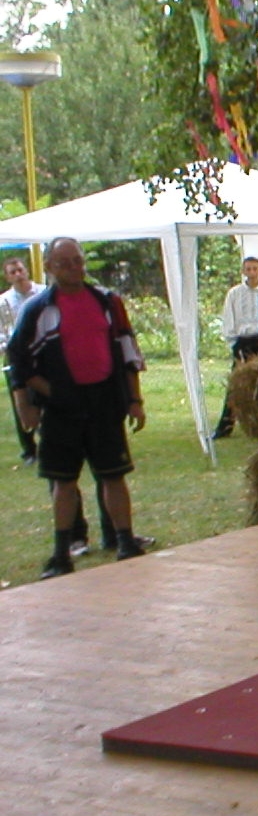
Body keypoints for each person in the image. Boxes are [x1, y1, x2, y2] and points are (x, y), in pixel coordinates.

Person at [6, 237, 148, 579]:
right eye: (64, 263)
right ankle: (61, 553)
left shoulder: (107, 301)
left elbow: (127, 350)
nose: (74, 268)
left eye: (78, 261)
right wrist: (31, 403)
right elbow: (19, 360)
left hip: (104, 402)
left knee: (114, 474)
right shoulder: (38, 309)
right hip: (61, 409)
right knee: (63, 481)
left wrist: (134, 400)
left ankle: (125, 540)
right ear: (49, 268)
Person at [211, 255, 258, 439]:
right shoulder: (235, 293)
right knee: (236, 384)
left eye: (254, 269)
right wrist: (233, 342)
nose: (251, 272)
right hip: (243, 340)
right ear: (243, 271)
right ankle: (225, 427)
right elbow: (228, 317)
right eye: (248, 269)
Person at [0, 254, 43, 462]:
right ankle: (29, 449)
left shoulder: (43, 293)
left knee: (45, 397)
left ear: (26, 271)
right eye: (13, 272)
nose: (18, 275)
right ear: (7, 277)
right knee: (21, 399)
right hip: (16, 356)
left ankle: (53, 441)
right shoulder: (3, 302)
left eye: (20, 270)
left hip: (42, 353)